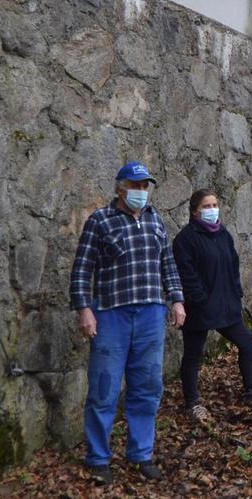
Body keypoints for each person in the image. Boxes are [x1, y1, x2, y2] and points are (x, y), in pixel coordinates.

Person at [69, 161, 186, 485]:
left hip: (150, 314)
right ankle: (97, 458)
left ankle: (141, 455)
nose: (141, 192)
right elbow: (82, 270)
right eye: (135, 186)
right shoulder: (100, 221)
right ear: (120, 188)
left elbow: (168, 265)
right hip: (110, 315)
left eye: (145, 186)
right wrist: (84, 309)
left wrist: (176, 300)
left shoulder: (155, 221)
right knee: (104, 390)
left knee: (147, 388)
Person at [173, 189, 252, 423]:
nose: (212, 210)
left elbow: (233, 264)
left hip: (226, 304)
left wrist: (236, 292)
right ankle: (192, 403)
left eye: (215, 204)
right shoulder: (185, 239)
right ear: (195, 211)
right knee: (193, 354)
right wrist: (198, 299)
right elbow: (186, 273)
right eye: (206, 206)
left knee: (247, 342)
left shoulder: (223, 234)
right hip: (199, 308)